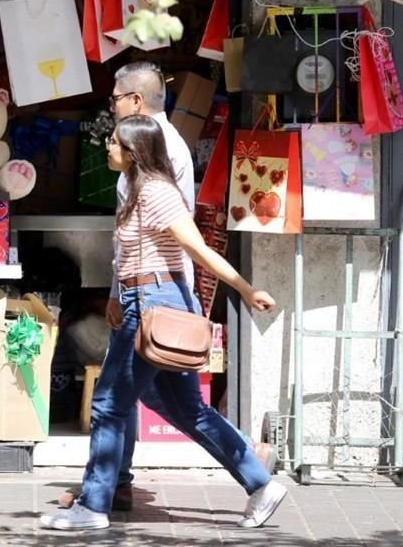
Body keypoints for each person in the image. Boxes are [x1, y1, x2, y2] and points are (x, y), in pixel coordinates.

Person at [41, 115, 287, 531]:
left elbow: (197, 248)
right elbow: (130, 257)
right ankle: (260, 484)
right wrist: (117, 296)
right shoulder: (135, 190)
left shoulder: (156, 192)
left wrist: (245, 289)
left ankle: (94, 505)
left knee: (107, 404)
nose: (107, 147)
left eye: (115, 142)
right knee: (184, 408)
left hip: (153, 304)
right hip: (143, 299)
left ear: (135, 151)